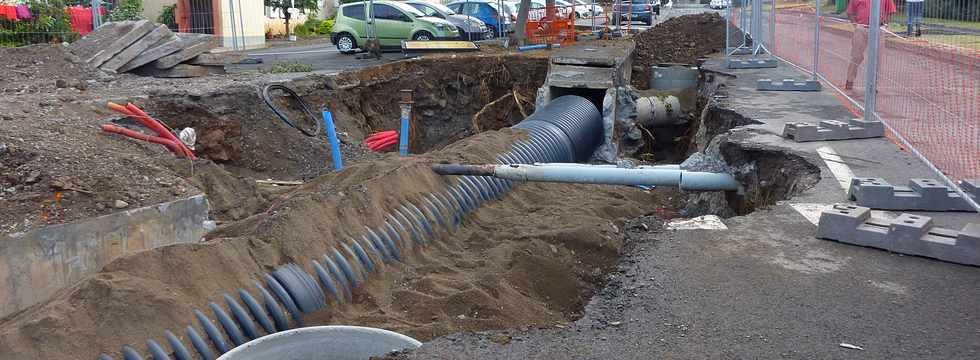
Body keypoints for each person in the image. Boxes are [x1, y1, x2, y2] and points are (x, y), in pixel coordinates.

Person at [844, 0, 897, 91]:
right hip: (862, 28)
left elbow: (890, 11)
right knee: (856, 56)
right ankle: (850, 80)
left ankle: (873, 85)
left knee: (877, 58)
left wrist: (885, 25)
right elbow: (850, 12)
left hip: (878, 29)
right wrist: (856, 25)